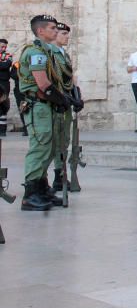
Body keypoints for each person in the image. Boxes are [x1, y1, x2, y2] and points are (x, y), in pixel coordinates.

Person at [18, 15, 65, 211]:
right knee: (40, 147)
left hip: (46, 106)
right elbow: (43, 84)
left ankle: (42, 188)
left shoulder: (47, 52)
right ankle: (30, 195)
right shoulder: (36, 52)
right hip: (38, 106)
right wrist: (63, 100)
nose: (56, 31)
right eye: (52, 28)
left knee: (48, 148)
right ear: (40, 31)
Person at [50, 22, 77, 197]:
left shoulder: (64, 55)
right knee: (53, 141)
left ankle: (60, 175)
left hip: (66, 102)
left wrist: (76, 94)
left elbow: (69, 77)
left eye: (67, 34)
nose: (67, 37)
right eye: (63, 34)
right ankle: (42, 180)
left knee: (64, 140)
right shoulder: (49, 54)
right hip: (55, 103)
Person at [0, 38, 12, 136]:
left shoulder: (8, 55)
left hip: (4, 83)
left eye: (5, 47)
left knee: (3, 104)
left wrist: (3, 64)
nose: (3, 48)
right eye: (1, 46)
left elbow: (7, 65)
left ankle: (2, 130)